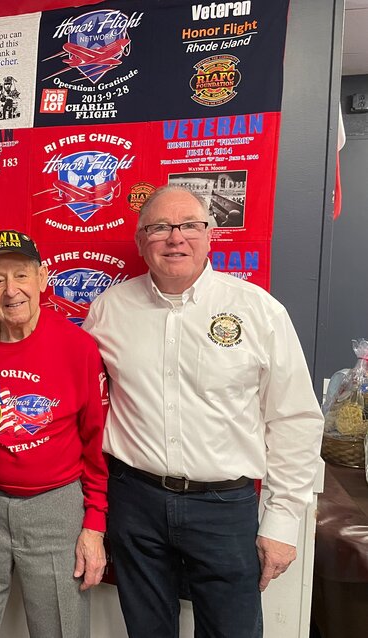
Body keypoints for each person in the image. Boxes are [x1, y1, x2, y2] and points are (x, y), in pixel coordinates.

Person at [83, 185, 324, 637]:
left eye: (189, 226)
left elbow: (294, 420)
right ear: (140, 241)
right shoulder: (108, 311)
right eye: (159, 228)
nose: (176, 238)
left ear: (211, 234)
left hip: (224, 507)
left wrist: (283, 521)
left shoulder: (259, 311)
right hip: (135, 502)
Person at [0, 229, 109, 638]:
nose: (11, 290)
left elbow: (96, 444)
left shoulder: (79, 347)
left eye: (21, 276)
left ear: (43, 278)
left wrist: (95, 525)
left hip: (56, 505)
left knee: (60, 628)